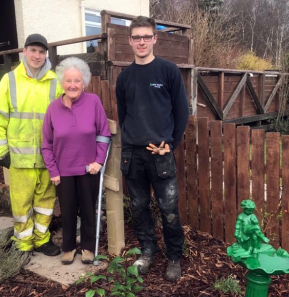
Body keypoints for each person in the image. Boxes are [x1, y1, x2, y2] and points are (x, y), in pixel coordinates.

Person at [115, 16, 190, 282]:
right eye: (137, 37)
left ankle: (173, 256)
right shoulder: (124, 77)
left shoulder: (168, 71)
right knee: (139, 207)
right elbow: (123, 116)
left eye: (147, 36)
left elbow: (182, 112)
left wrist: (170, 145)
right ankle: (147, 251)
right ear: (130, 41)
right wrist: (132, 140)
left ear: (155, 39)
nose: (142, 41)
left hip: (161, 154)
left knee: (169, 209)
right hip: (133, 155)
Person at [0, 34, 63, 256]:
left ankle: (42, 240)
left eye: (41, 52)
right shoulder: (9, 80)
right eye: (33, 50)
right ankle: (23, 243)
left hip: (48, 158)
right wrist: (1, 152)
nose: (37, 56)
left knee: (46, 202)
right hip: (19, 159)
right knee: (21, 205)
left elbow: (64, 121)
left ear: (46, 55)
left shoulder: (55, 83)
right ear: (24, 52)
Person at [42, 57, 111, 265]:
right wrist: (53, 170)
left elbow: (104, 133)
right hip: (63, 171)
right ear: (62, 82)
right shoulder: (53, 108)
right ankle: (69, 248)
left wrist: (98, 161)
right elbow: (46, 143)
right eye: (69, 80)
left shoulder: (93, 102)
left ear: (84, 83)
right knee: (68, 211)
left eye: (77, 81)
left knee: (89, 211)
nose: (73, 85)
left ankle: (88, 248)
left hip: (88, 169)